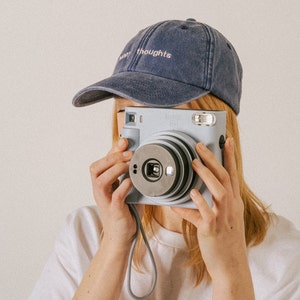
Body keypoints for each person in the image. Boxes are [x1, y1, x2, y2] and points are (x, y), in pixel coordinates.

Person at [30, 19, 300, 300]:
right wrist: (115, 243)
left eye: (163, 112)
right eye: (131, 114)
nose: (150, 140)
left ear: (217, 125)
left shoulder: (282, 256)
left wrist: (230, 272)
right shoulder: (83, 233)